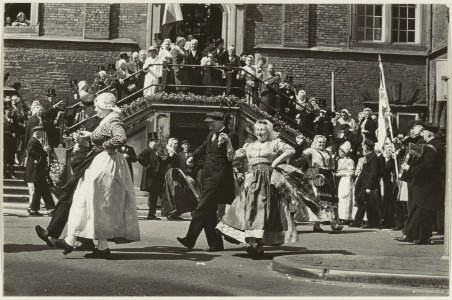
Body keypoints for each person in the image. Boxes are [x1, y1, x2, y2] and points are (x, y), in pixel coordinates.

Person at [54, 93, 140, 258]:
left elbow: (120, 138)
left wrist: (105, 146)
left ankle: (72, 241)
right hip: (101, 163)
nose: (95, 109)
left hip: (106, 165)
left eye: (97, 106)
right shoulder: (107, 120)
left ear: (105, 107)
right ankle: (99, 247)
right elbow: (105, 137)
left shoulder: (113, 119)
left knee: (95, 202)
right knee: (92, 202)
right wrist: (89, 138)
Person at [216, 119, 319, 258]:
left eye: (262, 130)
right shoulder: (248, 146)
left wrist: (276, 162)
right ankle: (253, 243)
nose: (259, 132)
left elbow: (291, 150)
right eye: (257, 130)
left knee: (263, 211)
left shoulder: (274, 143)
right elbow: (232, 157)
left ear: (268, 131)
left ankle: (258, 245)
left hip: (267, 181)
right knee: (247, 210)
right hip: (251, 180)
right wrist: (228, 142)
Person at [35, 116, 102, 251]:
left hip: (82, 180)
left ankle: (53, 234)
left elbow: (77, 163)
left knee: (69, 202)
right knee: (79, 207)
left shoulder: (90, 146)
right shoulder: (94, 145)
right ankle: (84, 241)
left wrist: (81, 147)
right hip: (84, 179)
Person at [177, 112, 235, 252]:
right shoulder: (210, 135)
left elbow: (231, 156)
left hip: (218, 179)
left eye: (212, 123)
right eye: (208, 124)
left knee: (201, 208)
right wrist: (192, 157)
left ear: (221, 122)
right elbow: (202, 148)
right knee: (209, 212)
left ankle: (190, 239)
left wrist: (227, 142)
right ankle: (216, 244)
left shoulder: (231, 135)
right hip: (207, 176)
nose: (209, 127)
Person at [396, 123, 444, 245]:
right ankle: (422, 237)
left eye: (423, 132)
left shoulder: (433, 146)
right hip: (427, 183)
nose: (421, 134)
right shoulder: (433, 144)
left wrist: (410, 169)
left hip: (427, 184)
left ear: (429, 133)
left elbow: (428, 165)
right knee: (423, 209)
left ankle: (410, 234)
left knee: (420, 208)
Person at [302, 135, 343, 232]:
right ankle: (325, 225)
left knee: (329, 199)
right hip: (316, 174)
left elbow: (332, 164)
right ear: (315, 142)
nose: (322, 144)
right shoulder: (310, 150)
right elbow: (301, 155)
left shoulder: (327, 151)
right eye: (320, 142)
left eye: (323, 142)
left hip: (327, 175)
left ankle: (329, 223)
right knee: (319, 200)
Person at [24, 126, 56, 216]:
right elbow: (30, 152)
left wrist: (44, 152)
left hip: (39, 170)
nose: (41, 134)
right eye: (40, 132)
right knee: (41, 190)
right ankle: (47, 209)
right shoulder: (33, 141)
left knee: (42, 189)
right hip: (36, 170)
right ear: (36, 132)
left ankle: (45, 209)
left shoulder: (35, 141)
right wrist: (43, 153)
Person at [351, 139, 381, 228]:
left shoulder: (373, 157)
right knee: (364, 203)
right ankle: (360, 222)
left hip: (368, 184)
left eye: (363, 145)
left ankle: (372, 223)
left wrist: (368, 186)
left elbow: (373, 172)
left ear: (367, 147)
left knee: (367, 204)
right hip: (363, 183)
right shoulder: (368, 156)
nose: (362, 147)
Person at [137, 132, 165, 220]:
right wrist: (148, 166)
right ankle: (151, 214)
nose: (155, 142)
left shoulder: (155, 151)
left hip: (156, 178)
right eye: (153, 141)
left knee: (155, 196)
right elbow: (140, 157)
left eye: (156, 141)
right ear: (149, 142)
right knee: (153, 196)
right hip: (151, 177)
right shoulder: (147, 150)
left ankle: (152, 214)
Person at [335, 141, 355, 223]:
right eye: (339, 151)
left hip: (347, 180)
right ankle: (341, 216)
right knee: (341, 197)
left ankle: (347, 217)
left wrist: (340, 174)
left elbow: (351, 172)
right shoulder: (339, 161)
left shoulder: (350, 161)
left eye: (341, 151)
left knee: (346, 197)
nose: (339, 153)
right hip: (342, 181)